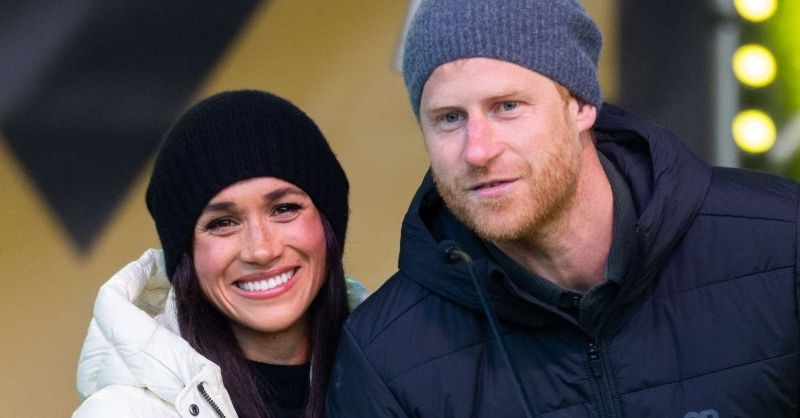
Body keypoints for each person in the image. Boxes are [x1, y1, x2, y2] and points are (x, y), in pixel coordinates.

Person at [326, 0, 800, 416]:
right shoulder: (386, 356)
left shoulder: (783, 242)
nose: (478, 150)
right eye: (449, 118)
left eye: (507, 106)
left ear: (581, 105)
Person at [73, 90, 367, 418]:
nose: (262, 250)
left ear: (329, 224)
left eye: (284, 208)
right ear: (185, 256)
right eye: (222, 222)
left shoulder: (401, 362)